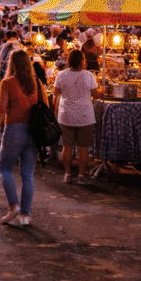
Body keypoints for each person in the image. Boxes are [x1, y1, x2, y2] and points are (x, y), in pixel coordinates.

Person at [0, 50, 40, 227]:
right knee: (27, 174)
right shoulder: (38, 83)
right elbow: (46, 107)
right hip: (34, 133)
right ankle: (25, 216)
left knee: (5, 167)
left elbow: (1, 109)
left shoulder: (8, 83)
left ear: (11, 63)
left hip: (14, 129)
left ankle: (14, 205)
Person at [52, 49, 98, 184]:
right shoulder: (89, 75)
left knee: (67, 146)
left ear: (68, 61)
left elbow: (56, 93)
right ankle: (81, 176)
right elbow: (95, 94)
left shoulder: (61, 75)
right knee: (83, 148)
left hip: (66, 114)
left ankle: (67, 174)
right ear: (82, 61)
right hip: (85, 115)